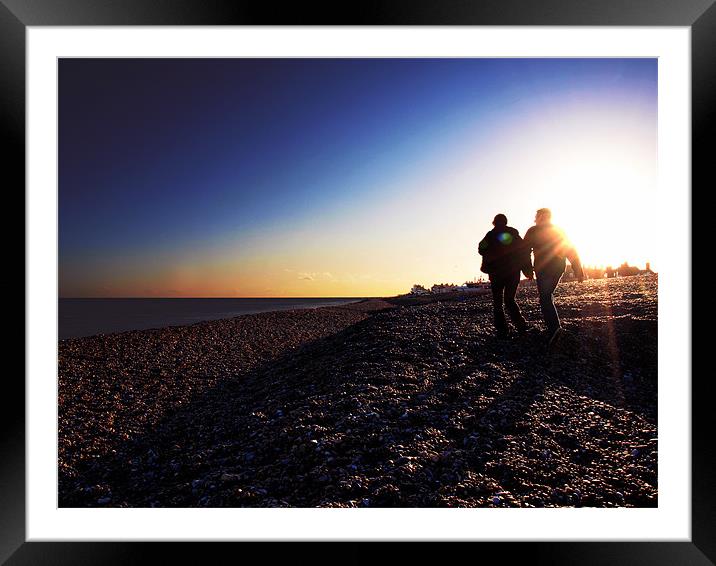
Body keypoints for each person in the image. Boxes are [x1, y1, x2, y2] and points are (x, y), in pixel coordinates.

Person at [523, 208, 584, 346]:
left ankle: (555, 330)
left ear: (539, 217)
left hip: (544, 268)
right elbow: (570, 250)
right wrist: (577, 269)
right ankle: (555, 329)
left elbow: (523, 251)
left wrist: (527, 269)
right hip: (557, 268)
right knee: (547, 296)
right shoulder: (557, 230)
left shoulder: (533, 230)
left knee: (545, 298)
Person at [478, 213, 533, 339]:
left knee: (497, 302)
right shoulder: (514, 234)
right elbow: (524, 252)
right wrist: (528, 270)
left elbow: (480, 249)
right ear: (506, 222)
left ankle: (502, 329)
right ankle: (520, 325)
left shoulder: (490, 235)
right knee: (509, 299)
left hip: (496, 273)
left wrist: (490, 255)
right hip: (512, 273)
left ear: (494, 222)